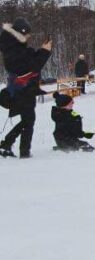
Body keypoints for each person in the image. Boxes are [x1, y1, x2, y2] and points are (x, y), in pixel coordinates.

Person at [0, 17, 51, 159]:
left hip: (23, 89)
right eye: (27, 33)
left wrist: (42, 50)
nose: (29, 36)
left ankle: (9, 145)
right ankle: (22, 151)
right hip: (22, 90)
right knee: (28, 120)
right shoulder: (14, 48)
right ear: (21, 33)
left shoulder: (13, 46)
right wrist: (45, 52)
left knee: (27, 120)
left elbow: (30, 61)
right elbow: (32, 68)